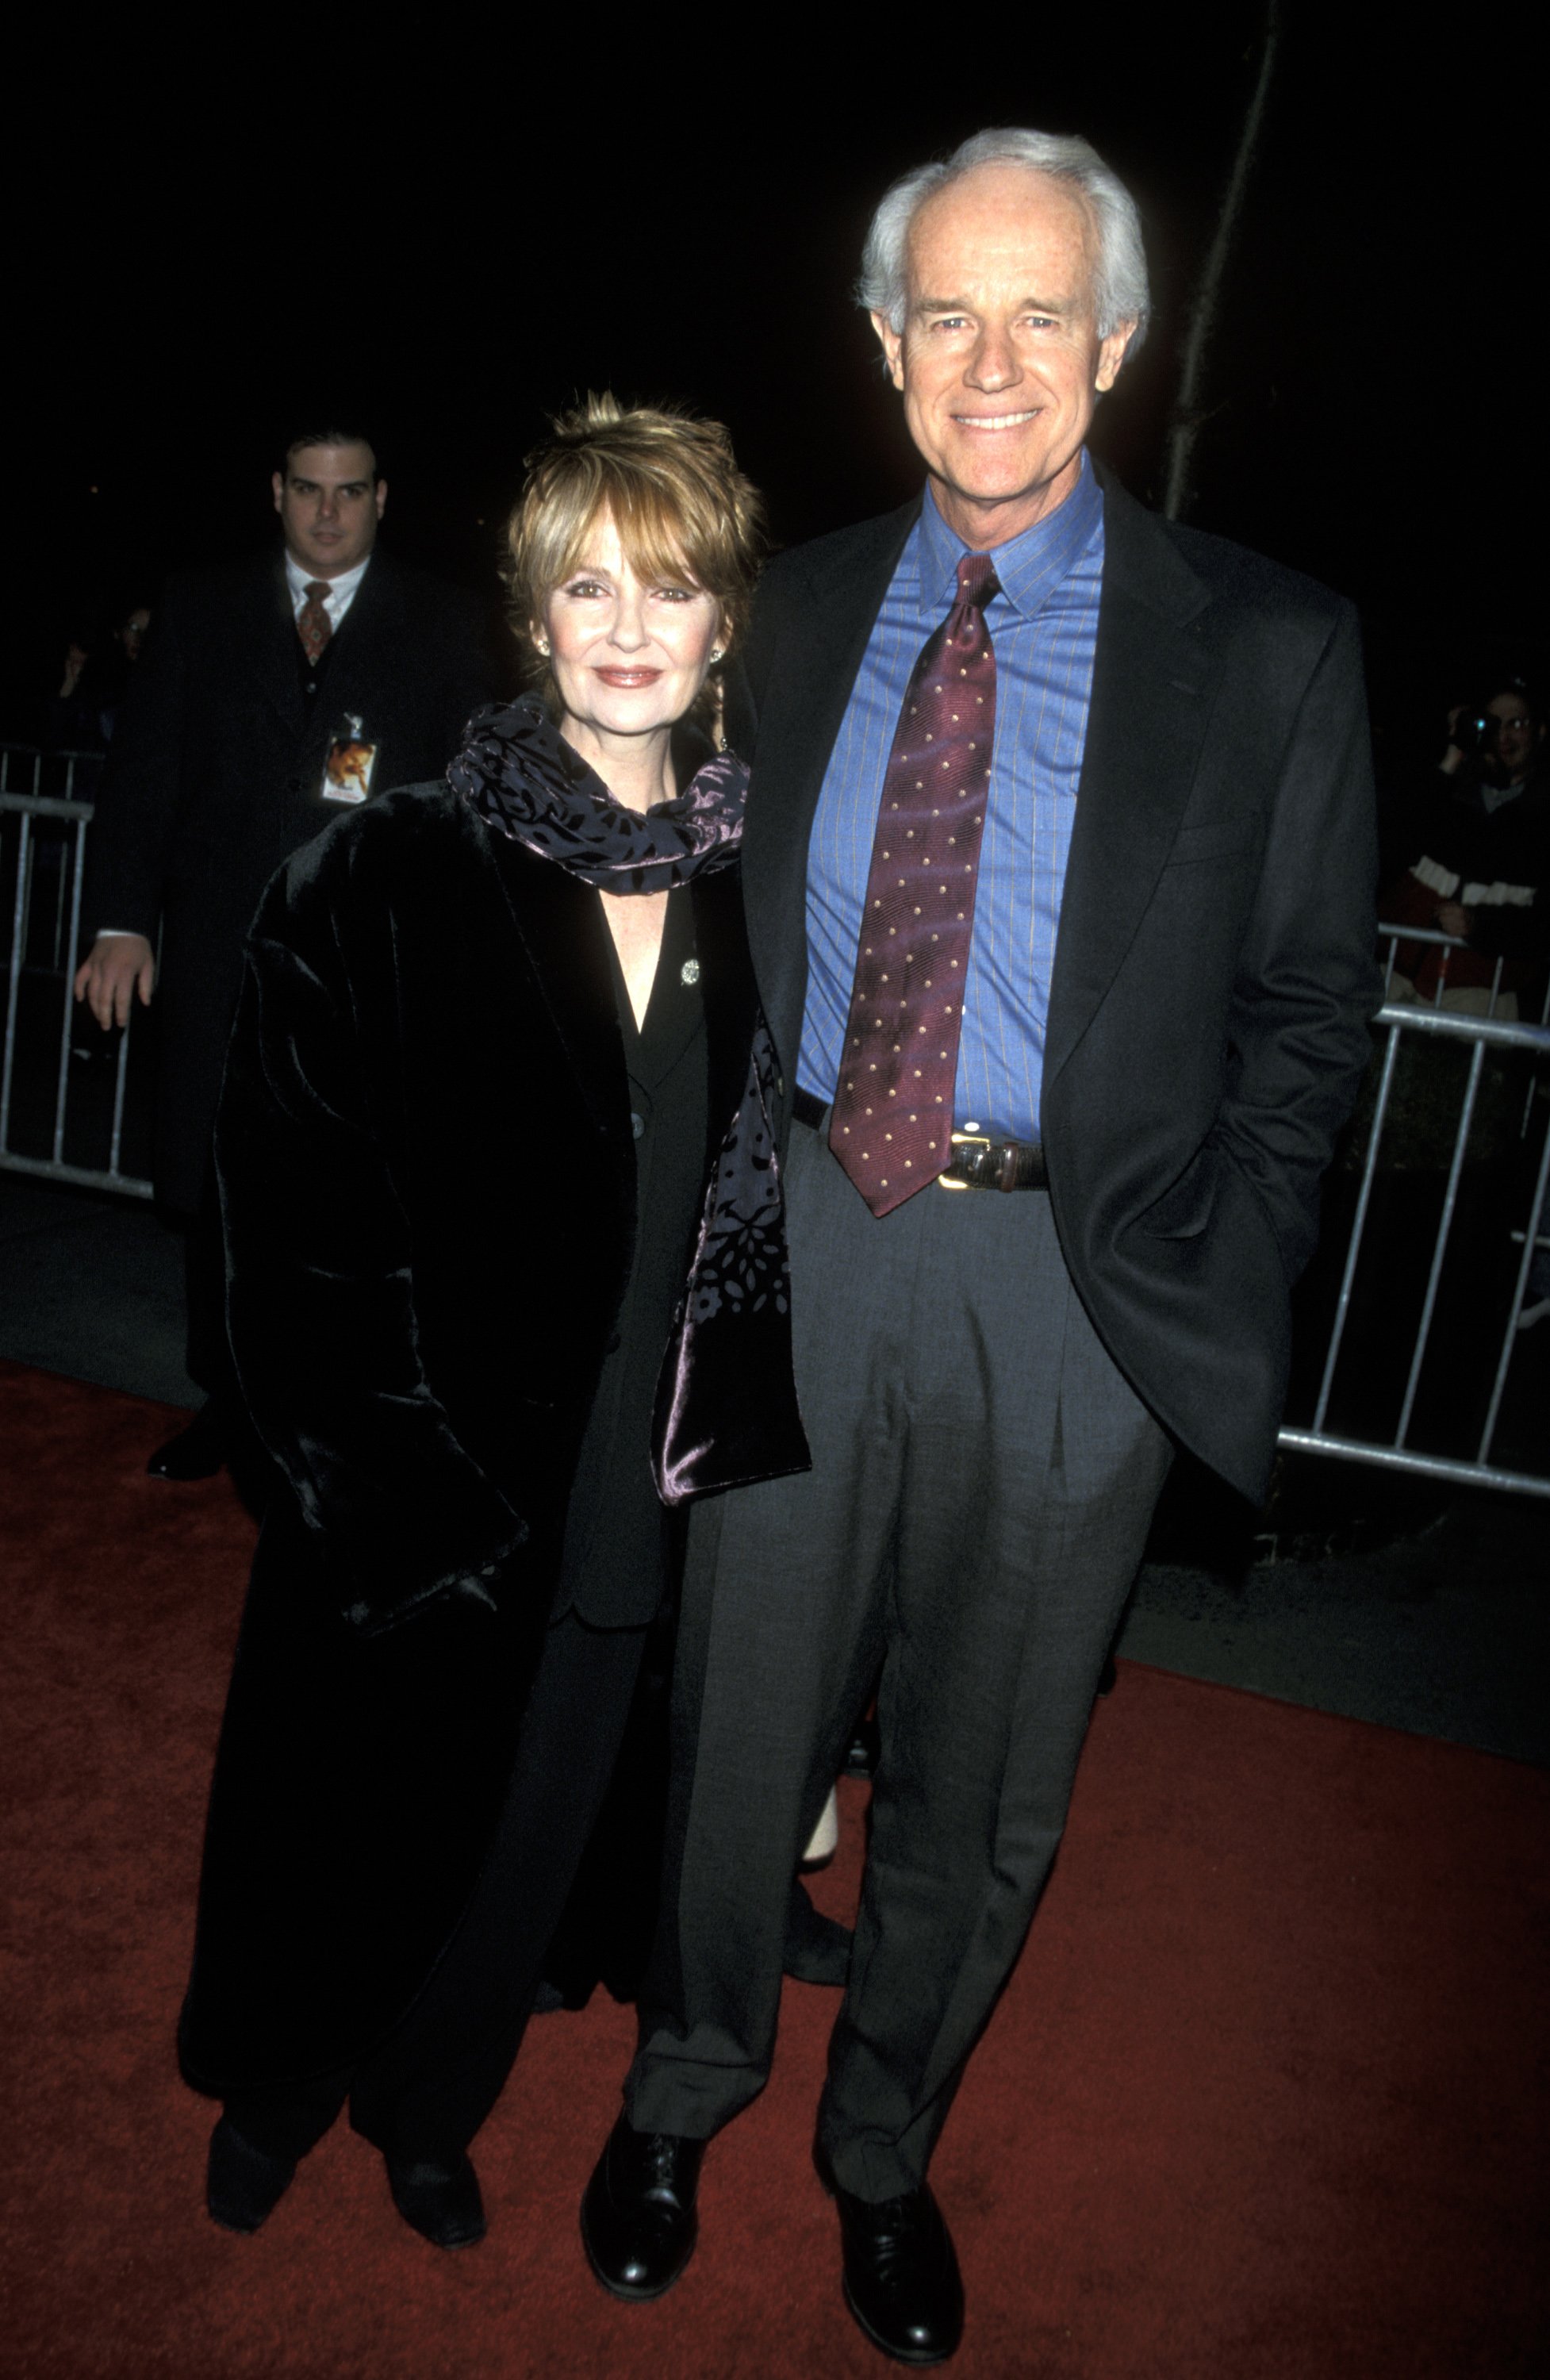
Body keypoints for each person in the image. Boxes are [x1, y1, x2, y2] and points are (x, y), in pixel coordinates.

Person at [581, 128, 1379, 2364]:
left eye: (1044, 312)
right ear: (883, 346)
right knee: (742, 1719)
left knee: (988, 1770)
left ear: (1115, 346)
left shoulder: (1276, 651)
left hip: (1079, 1296)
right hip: (813, 1236)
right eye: (950, 313)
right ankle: (683, 2087)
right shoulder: (796, 603)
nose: (995, 359)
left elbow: (1312, 1013)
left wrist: (1213, 1262)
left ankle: (880, 2150)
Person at [178, 396, 790, 2250]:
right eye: (585, 583)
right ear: (530, 616)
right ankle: (284, 2086)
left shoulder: (755, 891)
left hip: (627, 1476)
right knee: (355, 1824)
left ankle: (430, 2105)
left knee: (529, 1834)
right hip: (417, 1489)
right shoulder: (382, 874)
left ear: (719, 629)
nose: (625, 623)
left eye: (666, 587)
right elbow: (282, 1240)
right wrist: (407, 1499)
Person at [73, 429, 493, 1481]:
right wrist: (120, 921)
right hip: (219, 961)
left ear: (382, 498)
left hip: (358, 974)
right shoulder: (202, 606)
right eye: (306, 490)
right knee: (221, 1194)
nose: (326, 514)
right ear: (275, 491)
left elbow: (469, 806)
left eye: (349, 492)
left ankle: (328, 1410)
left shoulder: (442, 623)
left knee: (342, 1205)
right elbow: (143, 781)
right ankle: (230, 1398)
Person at [1382, 678, 1548, 1016]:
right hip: (1392, 980)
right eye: (1492, 723)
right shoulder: (1446, 791)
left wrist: (1478, 926)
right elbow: (1389, 848)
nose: (1503, 736)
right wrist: (1452, 757)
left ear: (1539, 733)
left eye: (1517, 724)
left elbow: (1543, 926)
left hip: (1480, 1000)